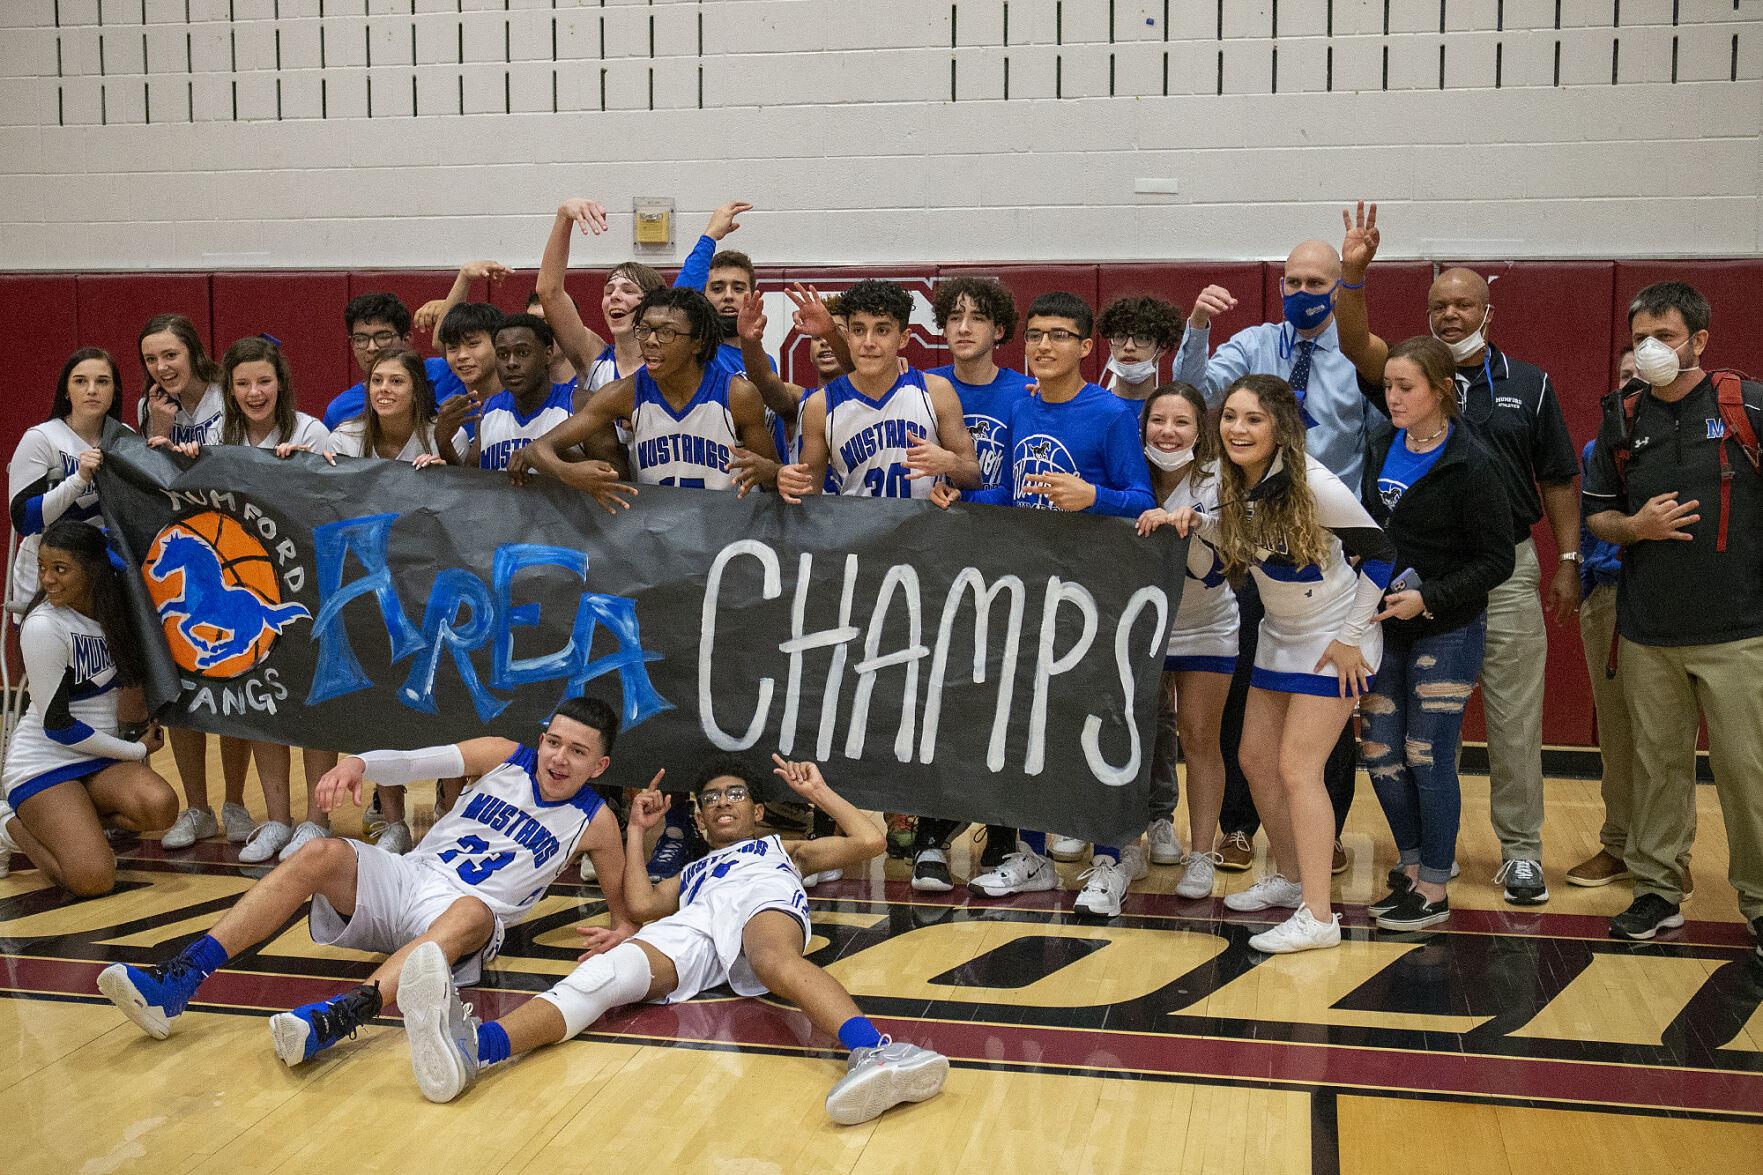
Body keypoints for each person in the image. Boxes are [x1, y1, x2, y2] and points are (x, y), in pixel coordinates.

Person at [394, 754, 949, 1126]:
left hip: (761, 901)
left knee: (773, 960)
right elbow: (639, 905)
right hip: (699, 923)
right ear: (702, 822)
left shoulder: (786, 848)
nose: (723, 802)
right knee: (601, 977)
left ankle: (878, 1051)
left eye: (735, 794)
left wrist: (819, 791)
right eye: (711, 799)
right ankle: (476, 1050)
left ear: (757, 811)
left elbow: (872, 840)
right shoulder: (692, 873)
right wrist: (637, 831)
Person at [96, 696, 637, 1065]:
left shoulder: (597, 821)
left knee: (475, 911)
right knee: (319, 851)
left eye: (577, 751)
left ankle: (337, 1018)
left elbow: (624, 908)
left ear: (599, 765)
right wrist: (357, 763)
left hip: (463, 922)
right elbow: (411, 762)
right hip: (409, 878)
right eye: (554, 742)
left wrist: (622, 925)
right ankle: (179, 980)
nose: (558, 758)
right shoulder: (505, 756)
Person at [1334, 201, 1581, 906]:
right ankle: (1420, 860)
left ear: (1486, 310)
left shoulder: (1528, 385)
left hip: (1500, 566)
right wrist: (1354, 276)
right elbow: (1356, 344)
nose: (1448, 313)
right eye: (1438, 303)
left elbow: (1559, 477)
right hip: (1408, 579)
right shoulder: (1402, 378)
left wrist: (1566, 560)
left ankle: (1521, 850)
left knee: (1511, 714)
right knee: (1406, 732)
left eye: (1462, 303)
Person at [1151, 375, 1395, 953]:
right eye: (1230, 416)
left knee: (1297, 768)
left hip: (1335, 637)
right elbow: (1248, 537)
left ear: (1280, 428)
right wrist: (1189, 521)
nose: (1237, 428)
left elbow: (1383, 554)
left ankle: (1319, 915)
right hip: (1279, 634)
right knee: (1254, 759)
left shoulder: (1314, 482)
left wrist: (1353, 637)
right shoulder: (1225, 483)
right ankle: (1288, 878)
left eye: (1253, 420)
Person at [931, 291, 1156, 917]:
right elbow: (1013, 488)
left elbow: (1142, 499)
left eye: (1059, 335)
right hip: (1027, 593)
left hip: (1095, 599)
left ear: (1086, 347)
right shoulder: (1024, 406)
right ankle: (1031, 854)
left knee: (1098, 725)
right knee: (1027, 725)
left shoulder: (1110, 414)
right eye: (1034, 335)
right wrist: (968, 501)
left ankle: (1111, 860)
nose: (1043, 346)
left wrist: (1095, 496)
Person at [1172, 240, 1376, 876]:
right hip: (1272, 586)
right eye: (1290, 280)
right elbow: (1194, 386)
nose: (1300, 291)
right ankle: (1255, 844)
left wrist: (1352, 634)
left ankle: (1320, 866)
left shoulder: (1354, 369)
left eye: (1316, 280)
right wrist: (1199, 324)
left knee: (1308, 753)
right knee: (1256, 743)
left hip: (1332, 568)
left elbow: (1383, 547)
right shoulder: (1255, 347)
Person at [1583, 281, 1763, 953]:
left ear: (1698, 340)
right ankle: (1656, 888)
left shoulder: (1743, 403)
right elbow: (1599, 509)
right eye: (1638, 338)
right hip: (1648, 630)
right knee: (1657, 767)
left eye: (1663, 335)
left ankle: (1759, 899)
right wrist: (1636, 524)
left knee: (1749, 772)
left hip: (1738, 630)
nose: (1650, 348)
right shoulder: (1622, 416)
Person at [152, 337, 336, 863]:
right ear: (228, 390)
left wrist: (312, 465)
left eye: (264, 381)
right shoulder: (215, 436)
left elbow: (344, 493)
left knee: (312, 698)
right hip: (248, 582)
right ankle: (277, 819)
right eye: (243, 384)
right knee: (264, 697)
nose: (255, 393)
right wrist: (181, 463)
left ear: (281, 383)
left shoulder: (310, 430)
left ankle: (316, 821)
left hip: (307, 579)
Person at [1357, 338, 1514, 931]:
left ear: (1441, 390)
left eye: (1406, 388)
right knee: (1379, 755)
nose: (1392, 398)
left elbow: (1497, 560)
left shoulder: (1473, 461)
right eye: (1389, 387)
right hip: (1381, 625)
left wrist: (1430, 597)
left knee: (1427, 755)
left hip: (1446, 628)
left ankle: (1436, 886)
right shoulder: (1380, 445)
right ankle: (1413, 863)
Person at [907, 275, 1034, 888]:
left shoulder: (1025, 393)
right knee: (938, 696)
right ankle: (931, 833)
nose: (962, 328)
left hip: (1006, 564)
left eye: (977, 318)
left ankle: (1003, 835)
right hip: (934, 566)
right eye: (953, 316)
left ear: (999, 330)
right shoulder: (924, 389)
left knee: (1000, 701)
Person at [0, 520, 178, 895]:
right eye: (43, 568)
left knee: (161, 807)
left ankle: (73, 822)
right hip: (44, 762)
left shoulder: (114, 614)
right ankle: (9, 824)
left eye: (60, 569)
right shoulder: (43, 626)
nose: (47, 579)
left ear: (93, 570)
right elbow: (58, 727)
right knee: (92, 880)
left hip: (96, 760)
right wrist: (136, 750)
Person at [1134, 383, 1236, 897]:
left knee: (1199, 739)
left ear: (1202, 431)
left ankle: (1201, 855)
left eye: (1181, 423)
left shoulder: (1221, 480)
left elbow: (1228, 557)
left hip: (1206, 623)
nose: (1168, 433)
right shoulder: (1130, 471)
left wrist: (1199, 526)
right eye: (1158, 421)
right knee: (1133, 737)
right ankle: (1131, 838)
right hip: (1140, 626)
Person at [778, 279, 980, 503]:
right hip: (856, 535)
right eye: (858, 330)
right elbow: (807, 499)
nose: (868, 342)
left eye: (882, 330)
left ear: (903, 338)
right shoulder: (820, 405)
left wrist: (950, 464)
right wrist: (787, 482)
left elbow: (973, 476)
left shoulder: (936, 391)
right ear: (847, 336)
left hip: (926, 534)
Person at [9, 347, 126, 610]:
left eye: (102, 381)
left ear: (115, 391)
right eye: (80, 381)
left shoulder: (124, 438)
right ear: (66, 390)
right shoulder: (42, 438)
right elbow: (24, 520)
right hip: (47, 578)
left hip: (102, 576)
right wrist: (78, 480)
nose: (92, 390)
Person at [323, 292, 468, 431]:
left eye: (383, 336)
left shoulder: (446, 370)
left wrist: (454, 311)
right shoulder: (340, 409)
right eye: (360, 339)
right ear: (352, 345)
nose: (371, 347)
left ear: (406, 340)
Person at [468, 313, 577, 474]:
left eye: (523, 353)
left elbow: (621, 479)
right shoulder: (489, 409)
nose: (511, 363)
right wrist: (444, 443)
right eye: (503, 355)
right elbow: (469, 481)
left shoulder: (578, 404)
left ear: (548, 354)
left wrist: (555, 458)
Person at [138, 313, 225, 446]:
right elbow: (150, 466)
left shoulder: (228, 396)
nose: (161, 367)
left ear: (194, 352)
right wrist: (160, 432)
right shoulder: (150, 406)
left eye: (170, 355)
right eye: (151, 359)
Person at [1098, 295, 1184, 402]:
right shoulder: (1093, 407)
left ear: (1161, 348)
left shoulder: (1170, 410)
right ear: (1111, 345)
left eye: (1142, 338)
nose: (1129, 347)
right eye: (1120, 336)